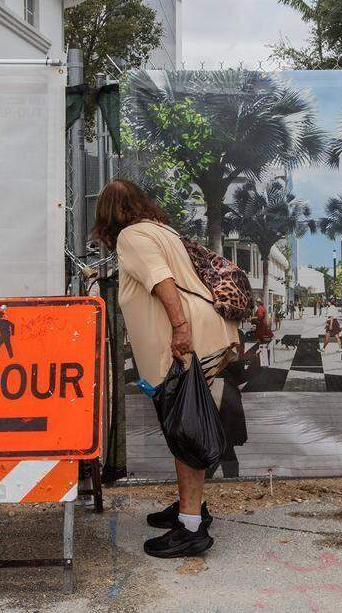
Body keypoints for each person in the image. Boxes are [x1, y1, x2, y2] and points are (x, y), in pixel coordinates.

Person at [93, 179, 237, 558]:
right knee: (185, 426)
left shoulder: (132, 237)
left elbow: (162, 282)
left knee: (186, 429)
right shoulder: (162, 231)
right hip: (200, 337)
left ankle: (191, 528)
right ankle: (192, 508)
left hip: (184, 344)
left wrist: (180, 330)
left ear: (107, 215)